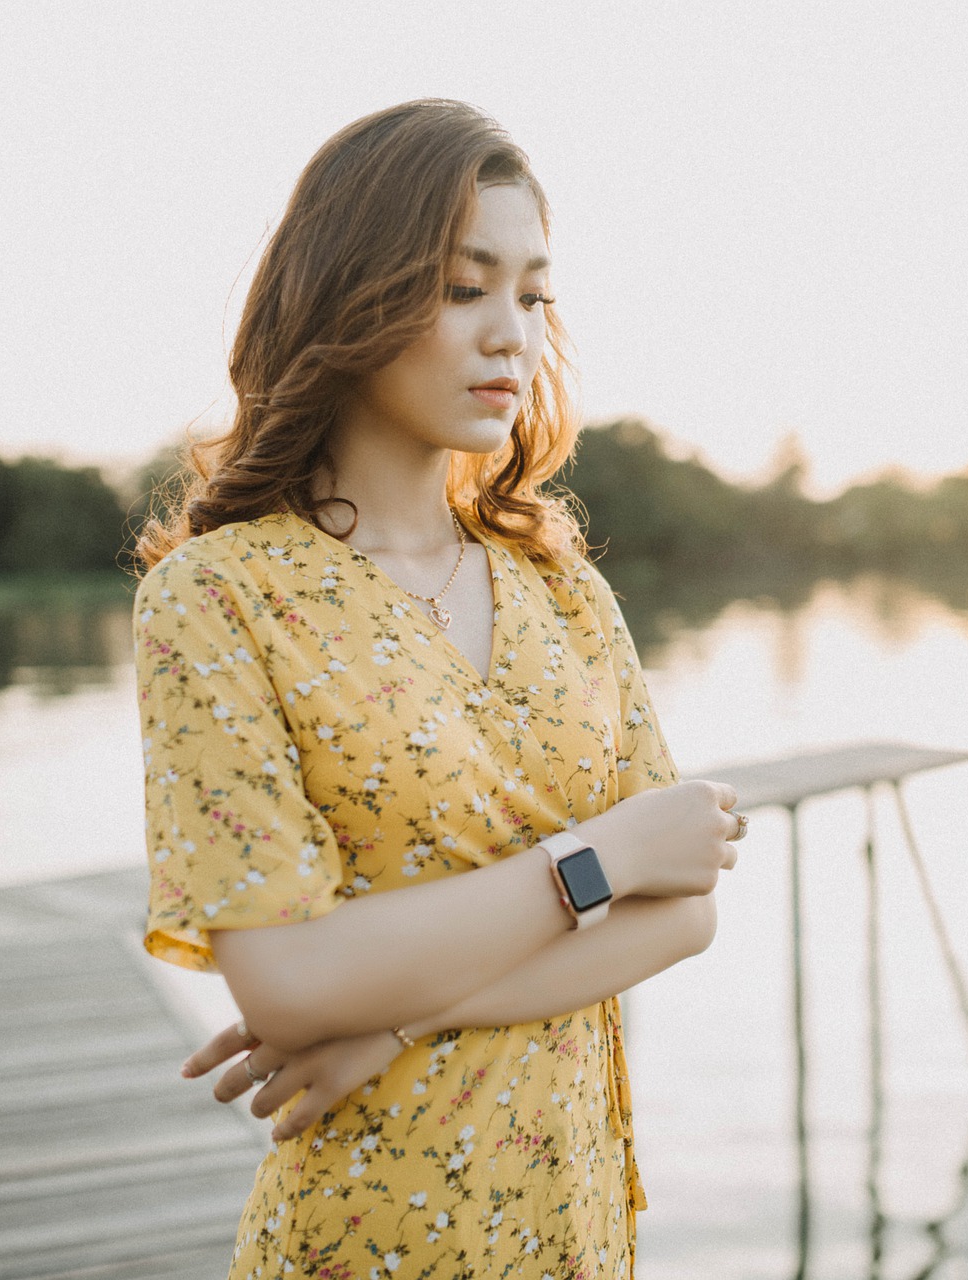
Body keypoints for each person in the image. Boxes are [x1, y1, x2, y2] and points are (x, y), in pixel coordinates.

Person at [131, 99, 745, 1279]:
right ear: (347, 295)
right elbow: (289, 976)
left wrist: (397, 1019)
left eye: (533, 294)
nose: (510, 333)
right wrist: (597, 861)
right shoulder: (221, 597)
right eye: (465, 288)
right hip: (373, 1230)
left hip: (579, 1228)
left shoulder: (563, 589)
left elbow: (686, 912)